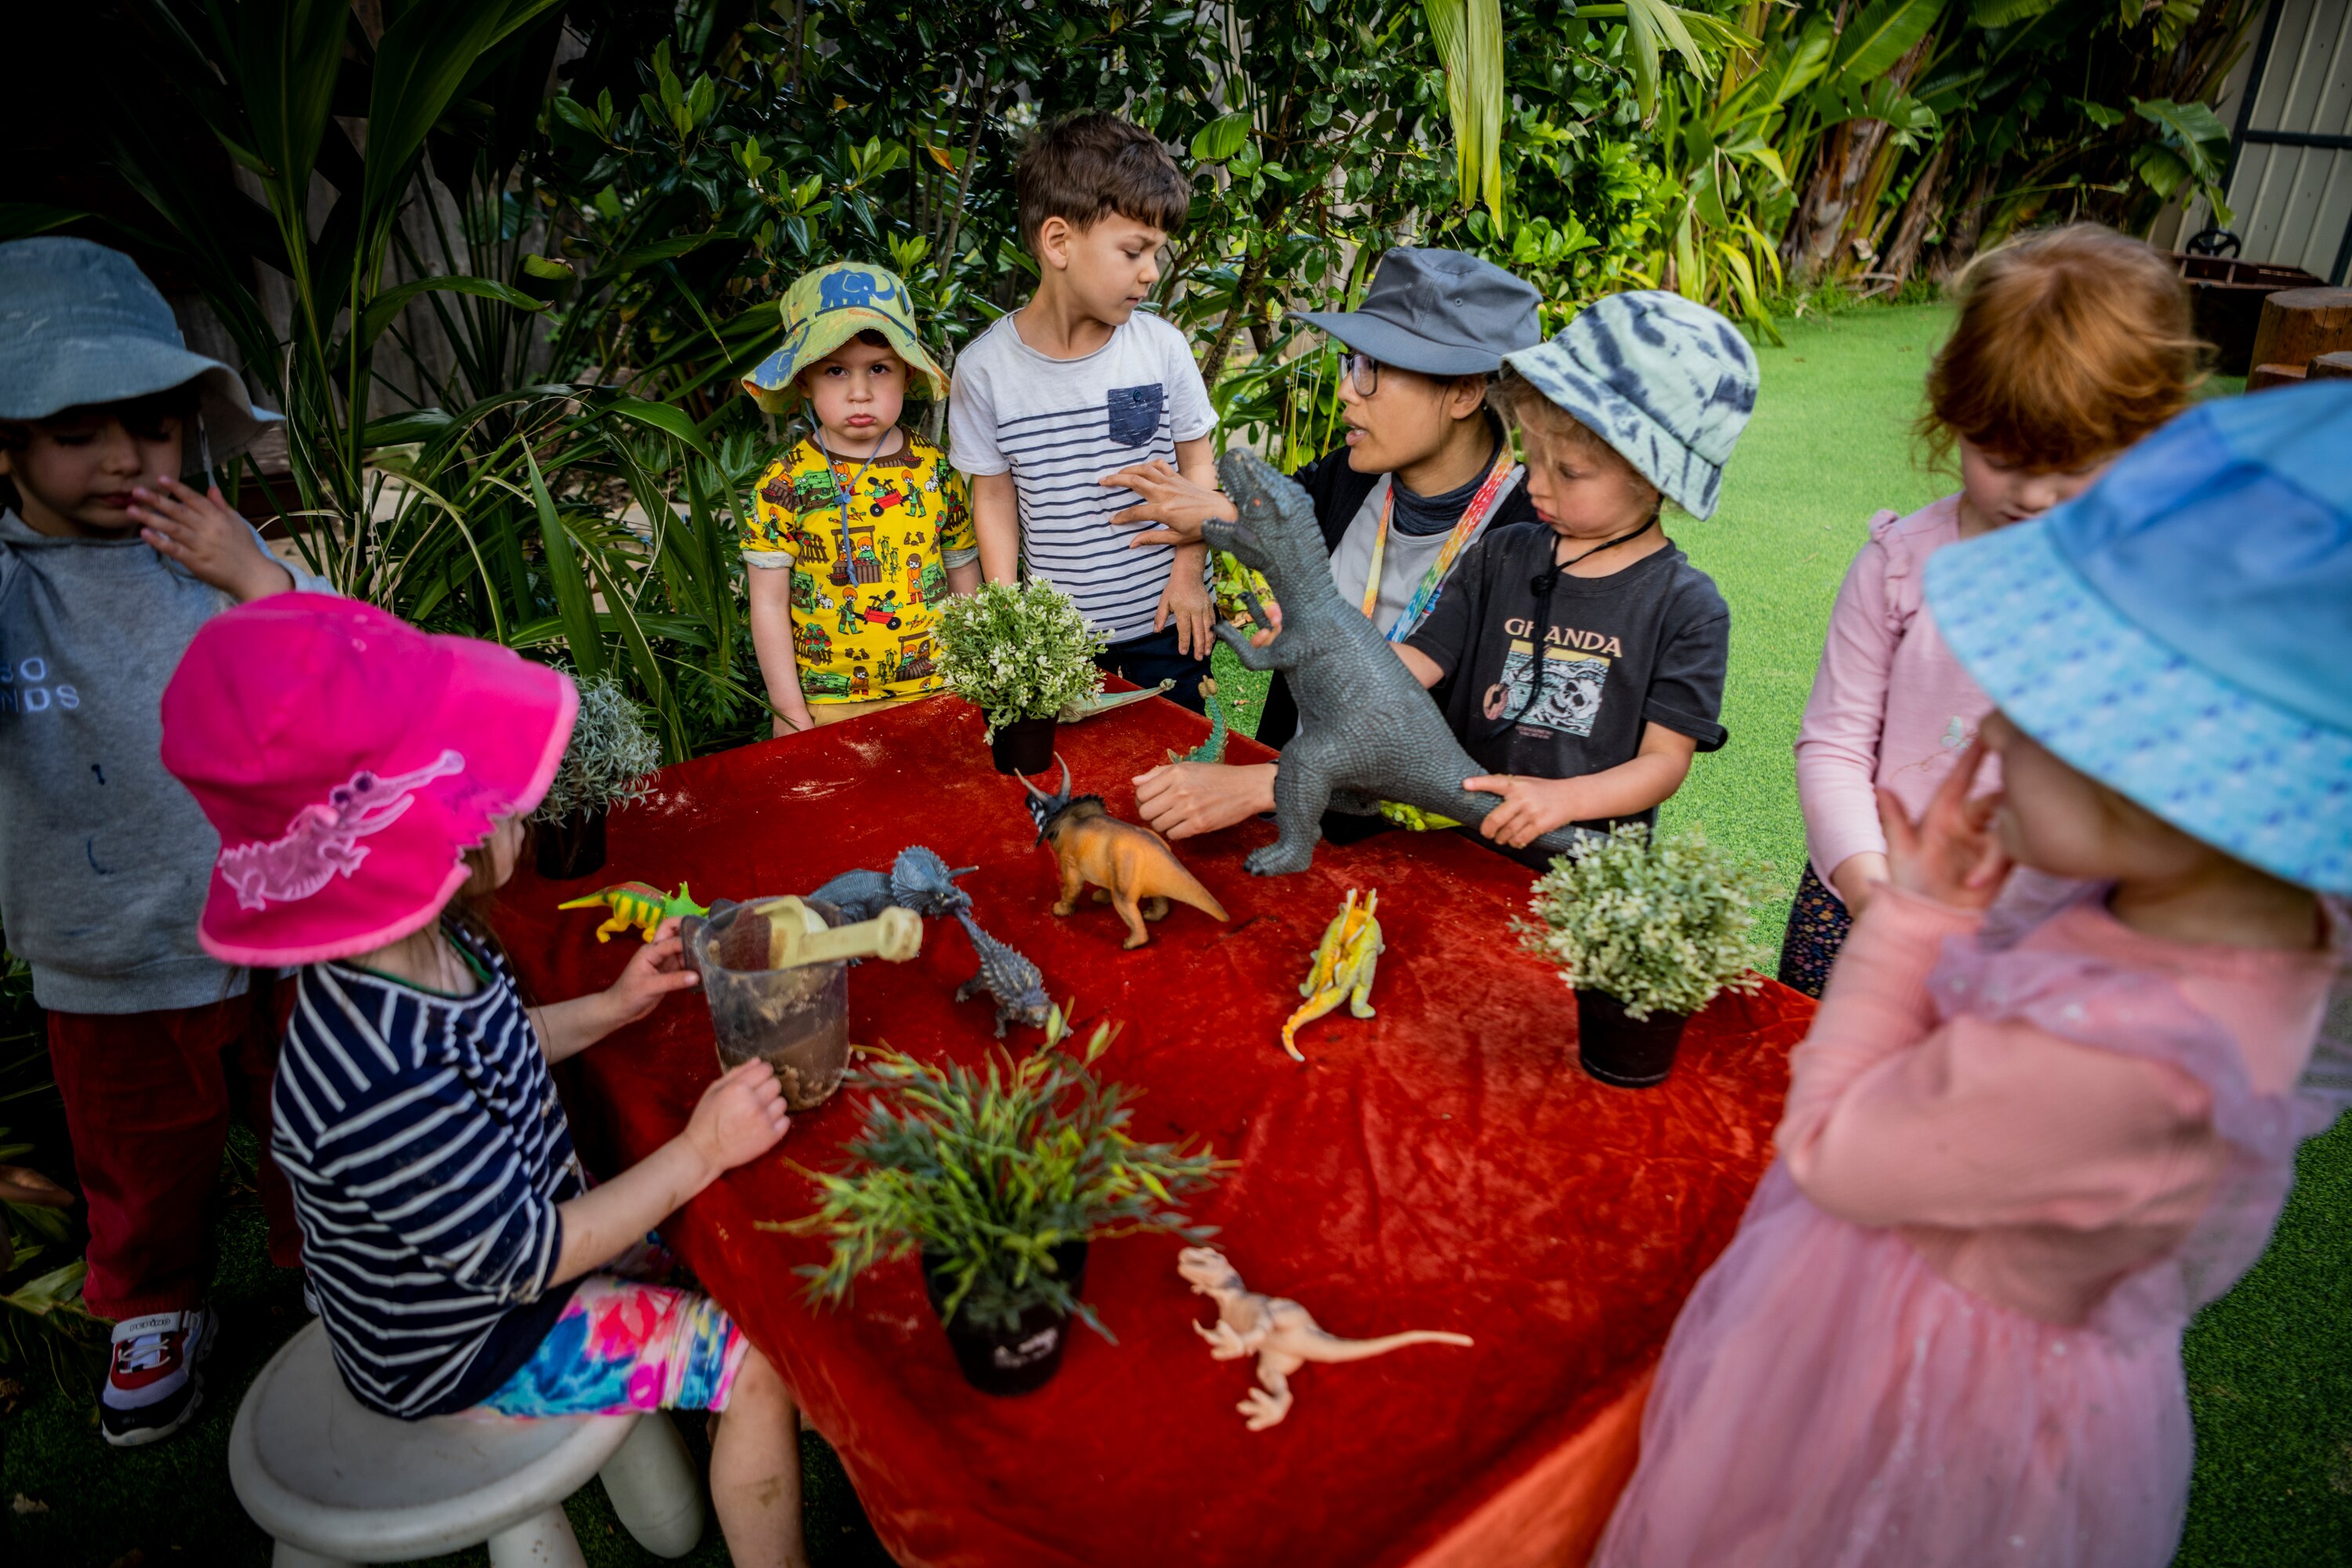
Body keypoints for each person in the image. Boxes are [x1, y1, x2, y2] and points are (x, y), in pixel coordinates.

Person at [1592, 383, 2352, 1568]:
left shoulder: (2109, 1058)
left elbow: (1836, 1151)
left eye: (2034, 716)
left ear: (2168, 785)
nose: (1985, 740)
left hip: (1918, 1392)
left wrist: (1918, 922)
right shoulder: (2243, 932)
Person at [158, 596, 811, 1568]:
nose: (520, 805)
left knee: (713, 1252)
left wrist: (611, 1009)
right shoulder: (377, 1068)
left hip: (515, 1272)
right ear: (437, 843)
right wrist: (698, 1149)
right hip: (467, 1345)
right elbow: (524, 1257)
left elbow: (500, 1044)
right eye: (496, 795)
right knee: (758, 1359)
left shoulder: (431, 948)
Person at [0, 236, 332, 1445]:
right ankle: (153, 1305)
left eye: (146, 422)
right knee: (139, 1158)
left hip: (272, 921)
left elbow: (335, 666)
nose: (120, 456)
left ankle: (331, 1263)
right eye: (73, 429)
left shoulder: (213, 550)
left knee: (311, 1115)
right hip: (107, 950)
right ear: (8, 444)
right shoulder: (13, 586)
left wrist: (253, 576)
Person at [1781, 225, 2198, 996]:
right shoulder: (1899, 568)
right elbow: (1835, 746)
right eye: (2000, 458)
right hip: (1861, 910)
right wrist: (1873, 894)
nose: (2032, 495)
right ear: (1953, 412)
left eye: (2071, 467)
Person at [1104, 247, 1546, 840]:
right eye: (1349, 363)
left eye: (1372, 370)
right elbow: (1282, 516)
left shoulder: (1532, 543)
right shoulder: (1350, 476)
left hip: (1428, 855)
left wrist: (1266, 781)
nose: (1345, 391)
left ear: (1465, 393)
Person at [1385, 290, 1755, 867]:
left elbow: (1664, 761)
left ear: (1653, 480)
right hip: (1452, 849)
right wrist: (1331, 647)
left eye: (1571, 472)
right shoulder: (1500, 554)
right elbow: (1417, 663)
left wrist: (1564, 800)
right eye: (1532, 457)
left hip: (1578, 874)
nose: (1538, 486)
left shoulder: (1687, 608)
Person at [946, 112, 1218, 710]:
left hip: (1167, 621)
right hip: (1060, 641)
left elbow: (1199, 467)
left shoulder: (1161, 349)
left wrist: (1190, 573)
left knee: (1174, 773)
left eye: (1158, 253)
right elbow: (992, 496)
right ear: (1059, 242)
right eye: (1134, 250)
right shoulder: (984, 370)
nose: (1151, 272)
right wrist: (1008, 616)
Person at [741, 261, 978, 735]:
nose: (860, 393)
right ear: (803, 380)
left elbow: (962, 572)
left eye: (878, 368)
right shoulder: (783, 483)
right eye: (835, 370)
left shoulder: (934, 470)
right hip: (826, 706)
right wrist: (789, 712)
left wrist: (973, 678)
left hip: (938, 692)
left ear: (907, 375)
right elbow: (767, 603)